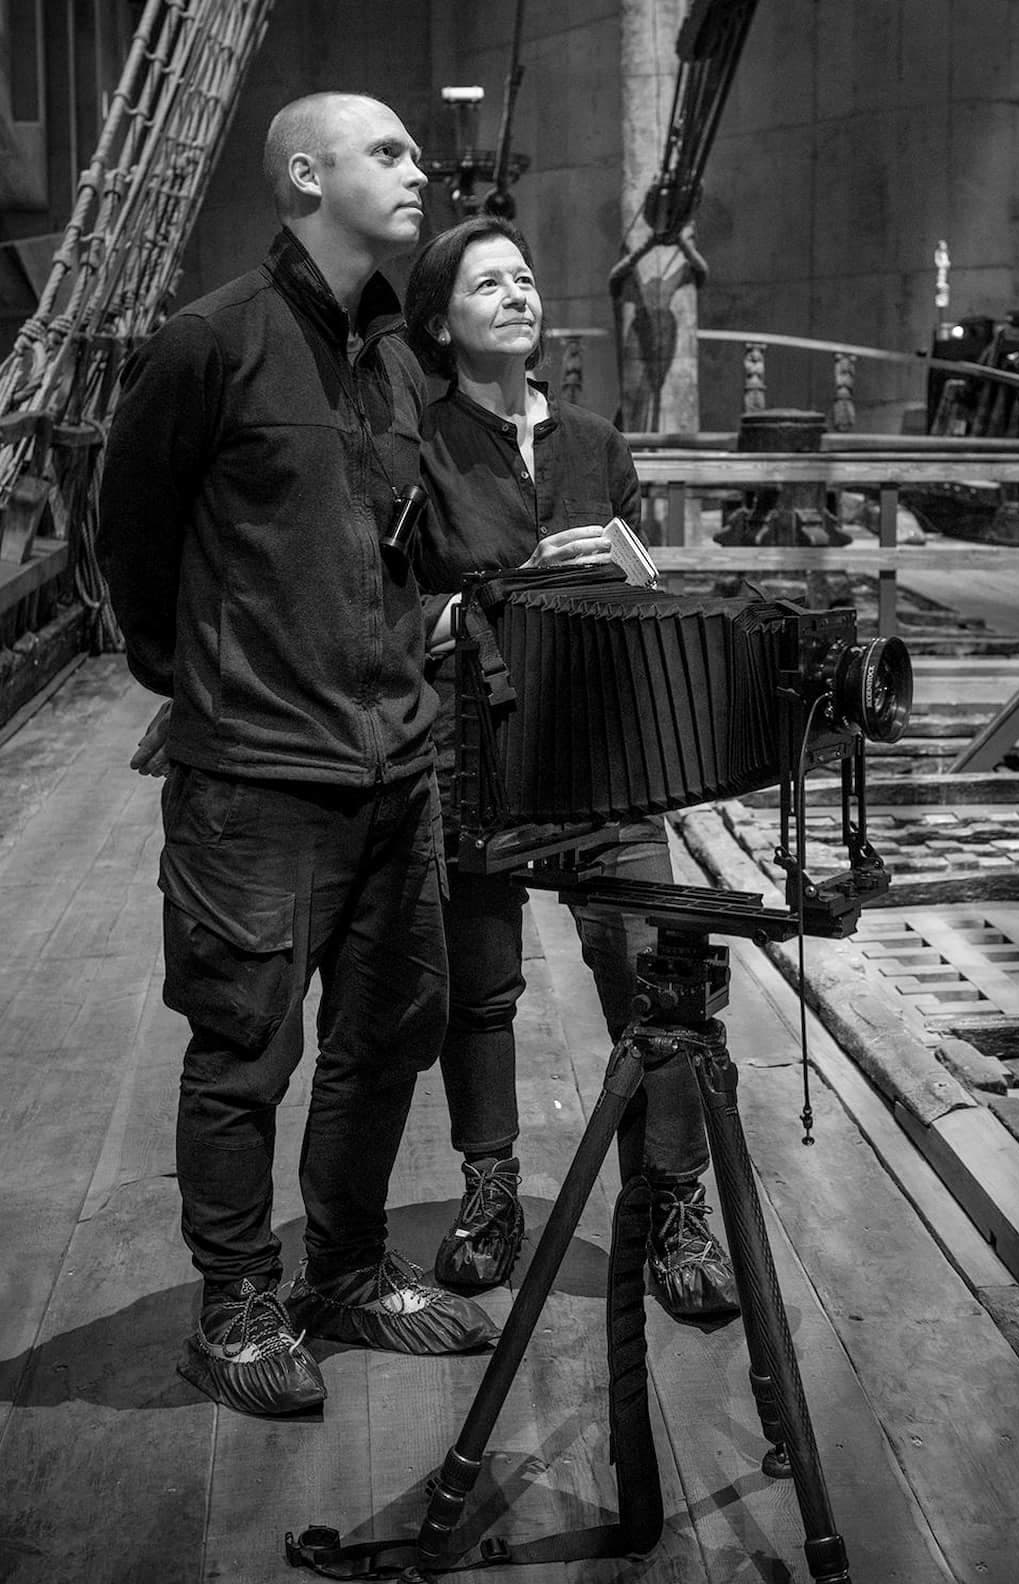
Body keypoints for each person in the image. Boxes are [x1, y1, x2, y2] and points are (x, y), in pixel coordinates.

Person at [97, 92, 497, 1419]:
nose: (417, 168)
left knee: (388, 1036)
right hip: (259, 778)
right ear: (305, 175)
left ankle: (346, 1270)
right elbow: (132, 541)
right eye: (389, 151)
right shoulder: (210, 342)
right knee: (243, 1049)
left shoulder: (389, 355)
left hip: (395, 767)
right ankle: (236, 1306)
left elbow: (406, 545)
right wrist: (206, 683)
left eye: (414, 150)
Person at [405, 214, 739, 1324]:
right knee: (482, 984)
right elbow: (394, 614)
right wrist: (512, 584)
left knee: (658, 968)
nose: (515, 293)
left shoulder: (597, 442)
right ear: (441, 319)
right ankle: (491, 1189)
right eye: (486, 282)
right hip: (484, 754)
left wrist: (635, 581)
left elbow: (640, 590)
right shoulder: (421, 445)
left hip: (605, 750)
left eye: (524, 276)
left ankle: (674, 1203)